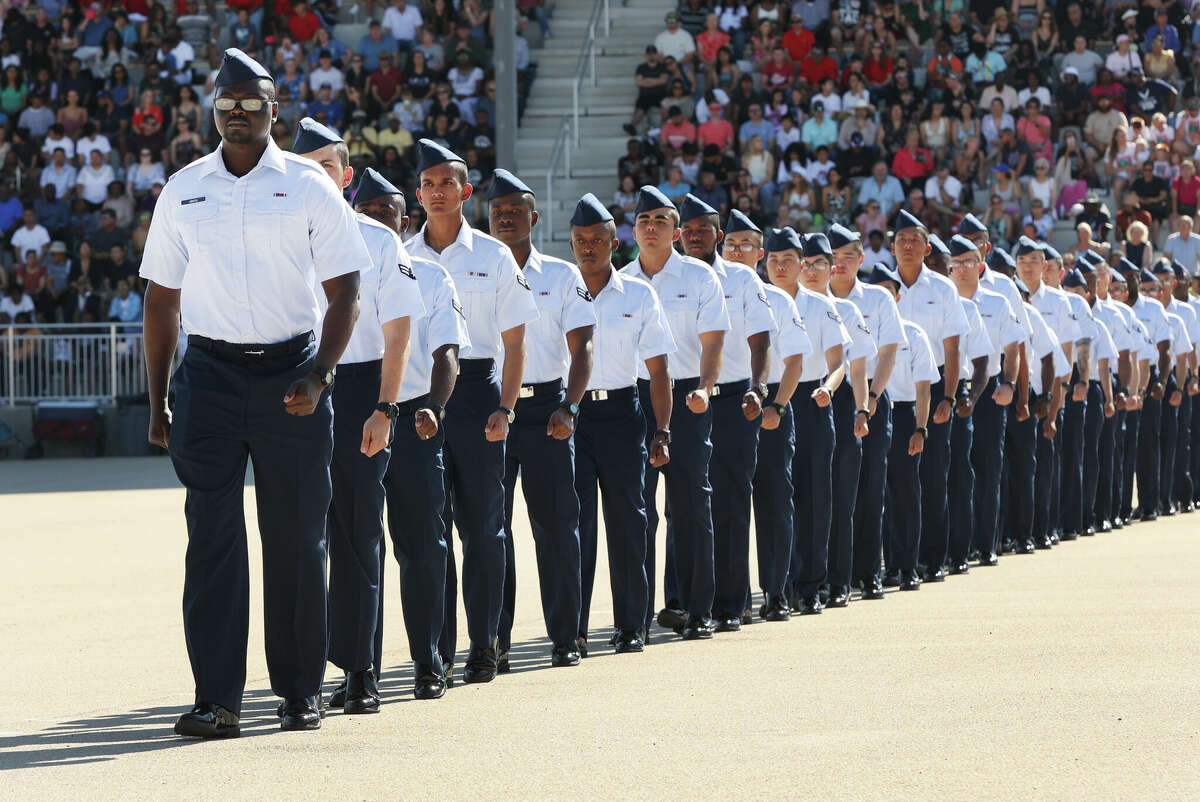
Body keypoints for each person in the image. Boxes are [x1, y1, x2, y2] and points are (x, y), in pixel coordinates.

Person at [140, 49, 372, 738]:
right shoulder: (182, 188)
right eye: (227, 104)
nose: (238, 115)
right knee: (211, 541)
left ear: (276, 110)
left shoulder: (308, 186)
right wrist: (157, 402)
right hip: (208, 377)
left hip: (291, 376)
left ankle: (300, 692)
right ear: (213, 110)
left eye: (252, 103)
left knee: (296, 540)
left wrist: (322, 373)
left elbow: (345, 292)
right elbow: (160, 301)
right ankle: (217, 699)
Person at [292, 119, 424, 713]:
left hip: (358, 392)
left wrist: (386, 408)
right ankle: (303, 675)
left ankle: (361, 668)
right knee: (297, 537)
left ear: (346, 177)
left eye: (328, 167)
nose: (317, 178)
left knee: (358, 532)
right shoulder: (279, 231)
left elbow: (398, 334)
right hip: (294, 389)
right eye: (306, 167)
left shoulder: (377, 240)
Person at [406, 139, 540, 684]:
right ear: (418, 194)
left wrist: (507, 408)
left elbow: (516, 343)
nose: (438, 193)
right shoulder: (402, 256)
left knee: (483, 528)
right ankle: (435, 651)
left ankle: (485, 643)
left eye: (448, 184)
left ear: (466, 192)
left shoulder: (493, 255)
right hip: (420, 396)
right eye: (429, 184)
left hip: (480, 395)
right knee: (428, 529)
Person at [353, 168, 470, 701]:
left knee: (422, 545)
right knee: (357, 548)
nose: (379, 221)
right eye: (370, 212)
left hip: (414, 417)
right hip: (355, 418)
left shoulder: (431, 277)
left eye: (389, 215)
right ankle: (361, 668)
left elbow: (447, 352)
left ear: (407, 222)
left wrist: (438, 409)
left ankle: (429, 659)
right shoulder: (335, 269)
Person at [487, 170, 596, 668]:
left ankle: (566, 635)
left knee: (557, 528)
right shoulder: (476, 270)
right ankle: (495, 639)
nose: (506, 217)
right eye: (498, 210)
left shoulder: (560, 275)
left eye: (515, 210)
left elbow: (584, 348)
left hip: (548, 410)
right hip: (490, 411)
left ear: (534, 217)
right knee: (492, 530)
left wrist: (571, 407)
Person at [621, 185, 729, 640]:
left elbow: (714, 341)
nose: (650, 228)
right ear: (632, 230)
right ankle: (637, 619)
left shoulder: (700, 279)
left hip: (688, 398)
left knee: (690, 507)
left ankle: (698, 610)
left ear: (677, 232)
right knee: (636, 511)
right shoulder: (619, 279)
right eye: (644, 222)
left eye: (660, 222)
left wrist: (706, 388)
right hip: (634, 399)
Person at [569, 193, 675, 652]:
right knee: (575, 525)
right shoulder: (559, 287)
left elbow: (659, 370)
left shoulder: (639, 293)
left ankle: (632, 623)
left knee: (629, 523)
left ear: (615, 243)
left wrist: (663, 429)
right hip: (571, 415)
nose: (588, 247)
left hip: (622, 414)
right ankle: (570, 628)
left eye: (597, 240)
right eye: (579, 240)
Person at [676, 195, 776, 630]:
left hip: (733, 399)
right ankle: (682, 599)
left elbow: (760, 342)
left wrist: (758, 389)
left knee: (731, 501)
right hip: (681, 399)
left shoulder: (742, 279)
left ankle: (732, 602)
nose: (696, 237)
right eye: (689, 230)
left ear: (719, 236)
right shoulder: (669, 276)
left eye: (704, 231)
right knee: (681, 505)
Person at [720, 212, 810, 620]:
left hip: (771, 407)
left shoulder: (777, 299)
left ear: (760, 254)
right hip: (726, 407)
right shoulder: (710, 290)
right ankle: (732, 599)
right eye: (731, 244)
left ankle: (776, 591)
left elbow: (793, 361)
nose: (737, 252)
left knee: (774, 504)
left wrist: (777, 405)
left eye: (746, 246)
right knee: (728, 505)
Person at [764, 227, 850, 613]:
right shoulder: (758, 301)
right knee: (777, 498)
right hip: (770, 398)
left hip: (812, 398)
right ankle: (777, 585)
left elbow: (839, 364)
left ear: (802, 265)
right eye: (774, 260)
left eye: (789, 261)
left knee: (815, 496)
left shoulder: (821, 306)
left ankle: (811, 584)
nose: (781, 267)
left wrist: (828, 390)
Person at [828, 225, 906, 600]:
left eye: (847, 257)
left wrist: (873, 395)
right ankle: (834, 576)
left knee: (871, 488)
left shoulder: (877, 298)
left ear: (861, 260)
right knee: (834, 491)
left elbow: (888, 351)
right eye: (833, 257)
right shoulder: (812, 296)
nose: (839, 265)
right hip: (826, 396)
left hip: (871, 395)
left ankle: (868, 571)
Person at [891, 211, 968, 585]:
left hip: (933, 389)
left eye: (914, 240)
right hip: (887, 392)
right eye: (901, 238)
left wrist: (949, 398)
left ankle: (932, 557)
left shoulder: (943, 289)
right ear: (892, 246)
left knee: (933, 475)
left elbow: (952, 350)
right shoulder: (881, 288)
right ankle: (894, 559)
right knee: (890, 479)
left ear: (927, 247)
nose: (907, 246)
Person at [806, 228, 874, 607]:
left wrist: (862, 409)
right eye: (809, 262)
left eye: (822, 263)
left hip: (842, 400)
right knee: (805, 496)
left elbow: (858, 366)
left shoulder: (846, 310)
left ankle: (838, 579)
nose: (814, 270)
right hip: (801, 398)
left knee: (841, 496)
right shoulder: (787, 304)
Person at [944, 235, 1022, 569]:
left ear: (980, 264)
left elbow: (1014, 346)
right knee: (956, 473)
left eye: (967, 263)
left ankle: (986, 543)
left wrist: (1010, 383)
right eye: (955, 264)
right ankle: (956, 547)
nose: (961, 270)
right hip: (952, 390)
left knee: (989, 470)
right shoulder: (942, 299)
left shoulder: (997, 301)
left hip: (988, 394)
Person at [868, 263, 937, 590]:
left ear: (897, 297)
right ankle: (884, 566)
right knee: (874, 494)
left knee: (905, 495)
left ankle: (908, 566)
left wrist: (921, 429)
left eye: (888, 292)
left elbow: (924, 388)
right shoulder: (863, 330)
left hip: (906, 416)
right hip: (871, 415)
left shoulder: (914, 333)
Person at [1013, 237, 1077, 551]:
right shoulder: (1009, 297)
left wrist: (1053, 408)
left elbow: (1063, 361)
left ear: (1045, 266)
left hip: (1046, 394)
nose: (1027, 267)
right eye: (1022, 262)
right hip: (1015, 395)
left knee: (1044, 464)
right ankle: (1016, 530)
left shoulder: (1058, 303)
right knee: (1019, 467)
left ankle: (1043, 527)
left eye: (1033, 262)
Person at [1129, 261, 1173, 522]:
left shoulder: (1153, 308)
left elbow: (1165, 349)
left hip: (1150, 376)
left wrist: (1163, 382)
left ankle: (1149, 503)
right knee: (1126, 445)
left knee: (1148, 442)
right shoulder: (1120, 307)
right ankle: (1127, 502)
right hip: (1126, 378)